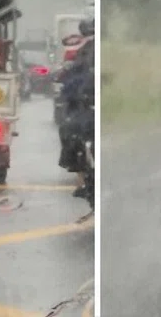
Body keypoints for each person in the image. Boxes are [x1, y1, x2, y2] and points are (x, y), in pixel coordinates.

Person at [58, 19, 95, 199]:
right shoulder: (83, 51)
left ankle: (82, 180)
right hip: (88, 102)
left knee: (70, 134)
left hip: (85, 105)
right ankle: (83, 179)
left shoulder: (83, 52)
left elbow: (74, 79)